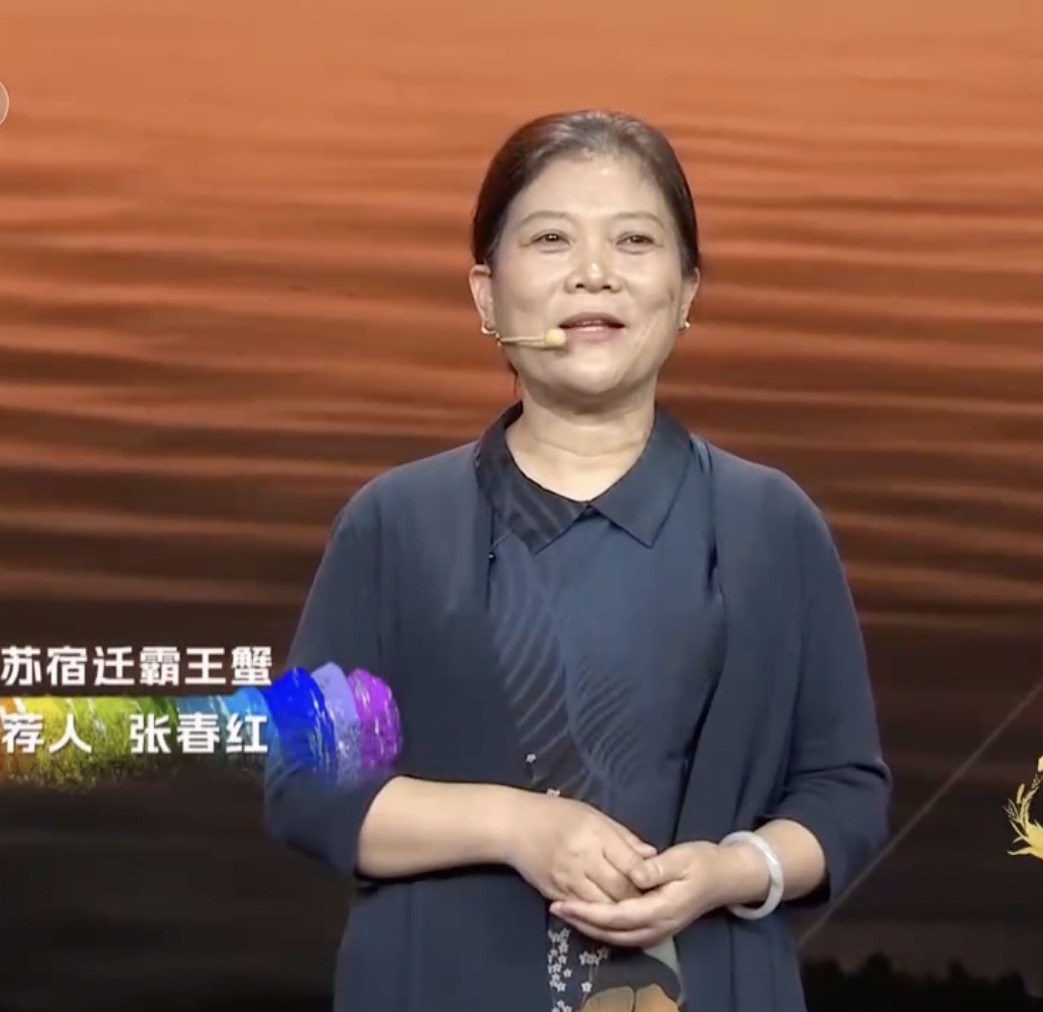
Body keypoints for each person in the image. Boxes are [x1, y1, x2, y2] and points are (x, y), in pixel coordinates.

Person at [264, 109, 892, 1012]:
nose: (594, 271)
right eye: (551, 239)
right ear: (487, 296)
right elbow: (305, 784)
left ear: (686, 291)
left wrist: (732, 869)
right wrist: (516, 826)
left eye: (634, 240)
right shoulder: (392, 523)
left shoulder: (771, 524)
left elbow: (845, 793)